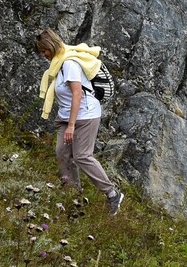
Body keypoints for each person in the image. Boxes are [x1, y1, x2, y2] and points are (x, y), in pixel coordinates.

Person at [36, 29, 122, 214]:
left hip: (85, 115)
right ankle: (73, 198)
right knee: (62, 153)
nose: (43, 55)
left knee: (82, 155)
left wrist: (72, 125)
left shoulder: (69, 64)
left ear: (51, 46)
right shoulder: (57, 66)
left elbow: (77, 94)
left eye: (44, 50)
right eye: (41, 52)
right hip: (66, 117)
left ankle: (112, 194)